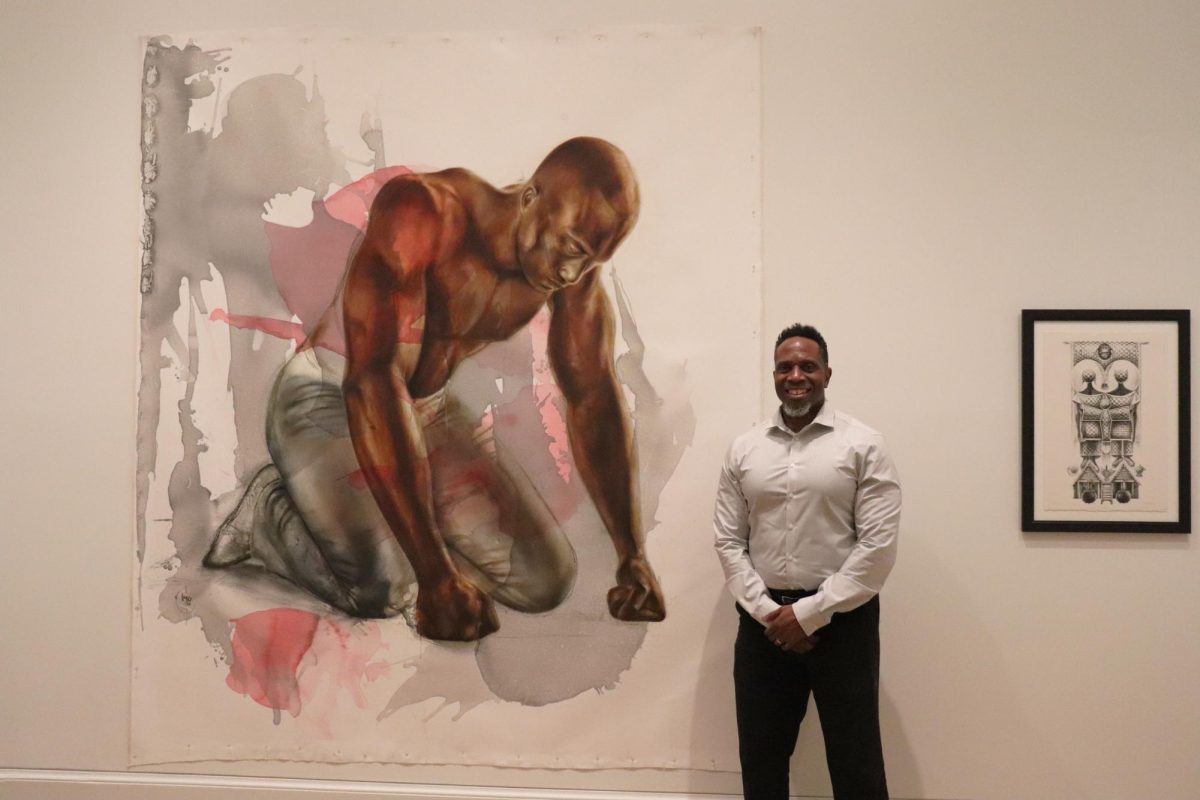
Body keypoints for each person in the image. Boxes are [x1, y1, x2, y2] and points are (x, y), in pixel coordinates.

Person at [205, 137, 667, 641]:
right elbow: (372, 381)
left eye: (592, 261)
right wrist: (435, 575)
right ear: (531, 197)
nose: (571, 272)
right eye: (573, 249)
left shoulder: (571, 273)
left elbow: (593, 399)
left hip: (426, 410)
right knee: (388, 592)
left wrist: (632, 555)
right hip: (330, 396)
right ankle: (267, 512)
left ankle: (390, 521)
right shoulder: (425, 211)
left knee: (545, 583)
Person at [713, 323, 901, 800]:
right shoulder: (744, 449)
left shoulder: (863, 445)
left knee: (856, 764)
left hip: (844, 624)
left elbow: (877, 549)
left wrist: (810, 614)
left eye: (807, 366)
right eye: (785, 366)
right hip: (763, 627)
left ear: (827, 374)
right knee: (762, 765)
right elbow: (729, 542)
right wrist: (770, 614)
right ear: (774, 374)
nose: (796, 375)